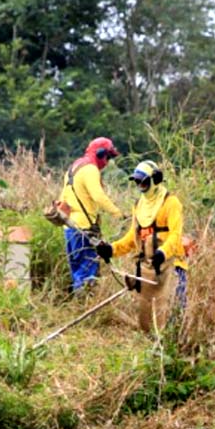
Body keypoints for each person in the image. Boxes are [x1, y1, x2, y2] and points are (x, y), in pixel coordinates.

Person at [96, 160, 188, 332]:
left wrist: (163, 252)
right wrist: (112, 249)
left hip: (171, 266)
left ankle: (176, 349)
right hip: (148, 268)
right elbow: (133, 238)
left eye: (144, 182)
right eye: (137, 182)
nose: (140, 186)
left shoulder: (171, 203)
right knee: (147, 316)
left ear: (156, 180)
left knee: (174, 312)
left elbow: (176, 234)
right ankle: (152, 345)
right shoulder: (138, 205)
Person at [60, 137, 123, 293]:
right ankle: (86, 305)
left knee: (77, 271)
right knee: (88, 270)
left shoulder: (73, 168)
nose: (107, 162)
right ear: (100, 153)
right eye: (107, 156)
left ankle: (78, 305)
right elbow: (98, 196)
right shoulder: (90, 169)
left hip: (69, 227)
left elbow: (63, 198)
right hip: (84, 229)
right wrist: (118, 213)